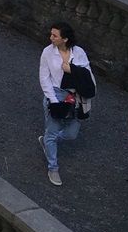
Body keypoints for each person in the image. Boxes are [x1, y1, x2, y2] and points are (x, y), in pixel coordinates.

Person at [39, 21, 95, 187]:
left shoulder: (79, 53)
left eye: (55, 35)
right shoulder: (47, 53)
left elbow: (87, 75)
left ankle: (50, 141)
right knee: (52, 131)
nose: (51, 38)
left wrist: (71, 69)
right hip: (56, 93)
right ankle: (53, 166)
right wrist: (53, 101)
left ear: (65, 38)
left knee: (72, 133)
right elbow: (44, 77)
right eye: (51, 34)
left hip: (75, 96)